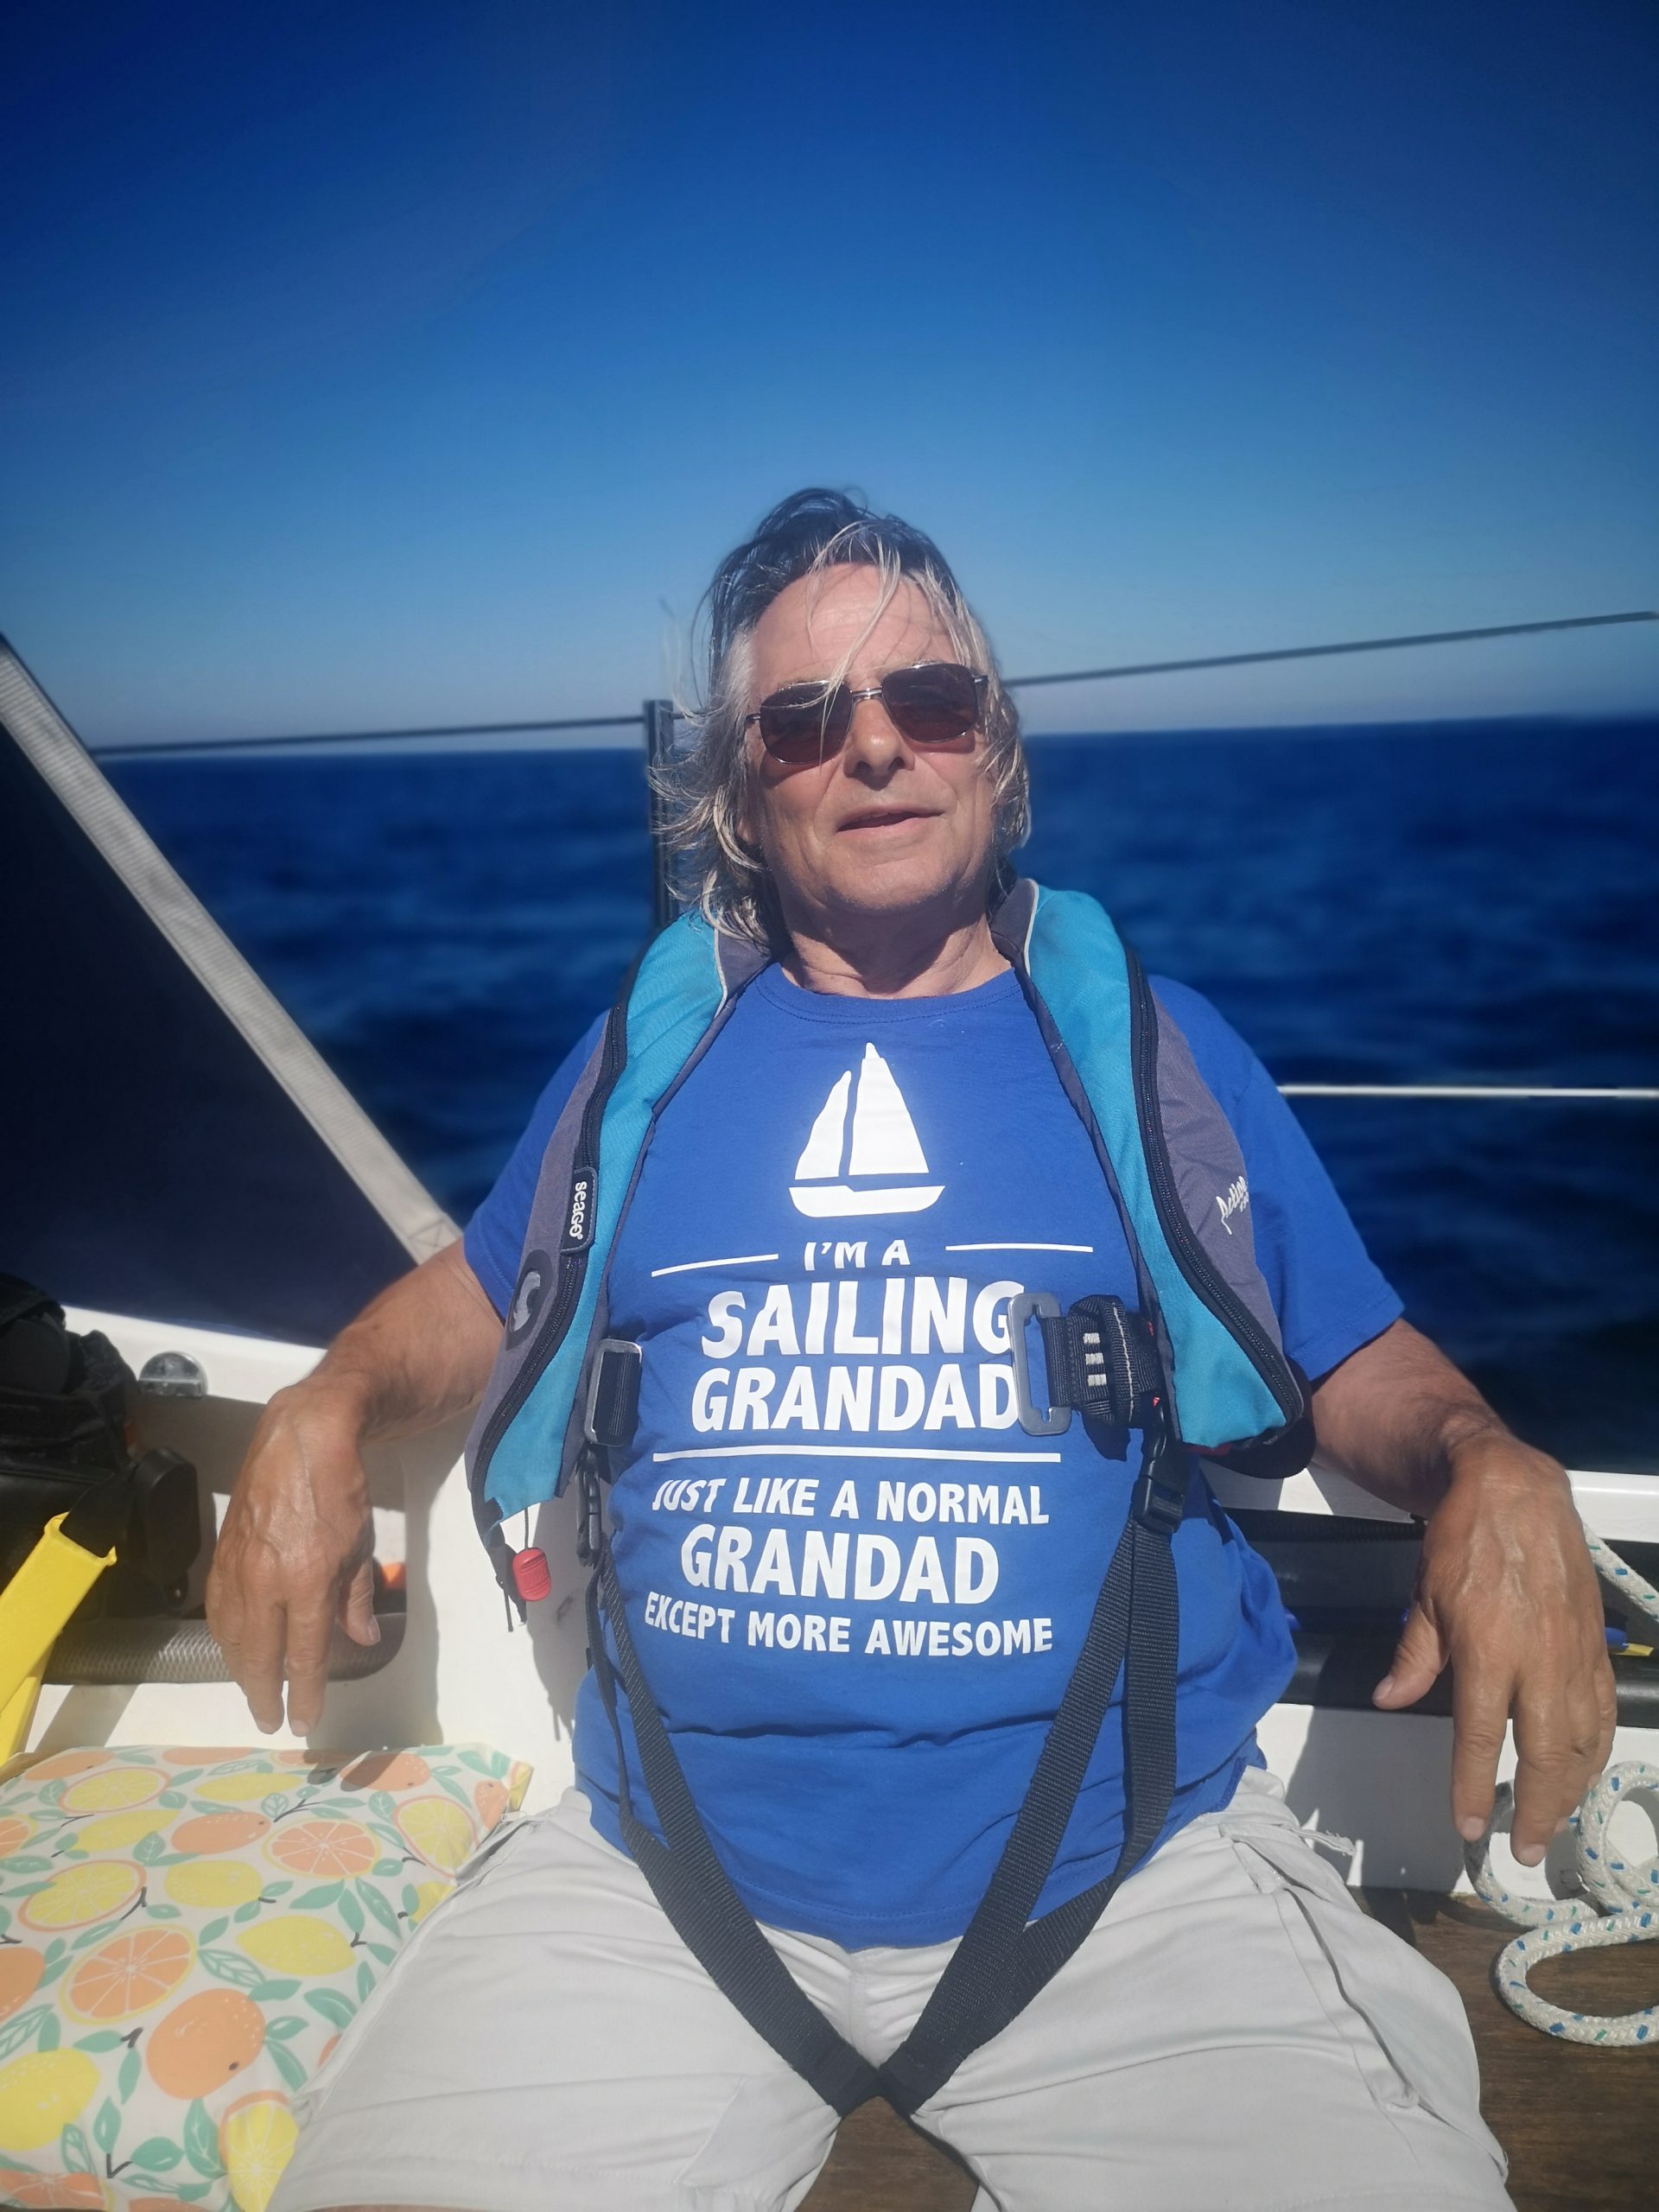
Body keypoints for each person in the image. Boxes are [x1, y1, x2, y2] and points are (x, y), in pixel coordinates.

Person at [215, 490, 1614, 2212]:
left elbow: (1350, 1350)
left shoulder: (1156, 1053)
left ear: (993, 745)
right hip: (657, 1893)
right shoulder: (642, 1059)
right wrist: (327, 1399)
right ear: (740, 790)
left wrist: (1486, 1457)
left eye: (928, 701)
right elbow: (484, 1289)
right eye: (805, 721)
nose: (874, 747)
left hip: (1136, 1893)